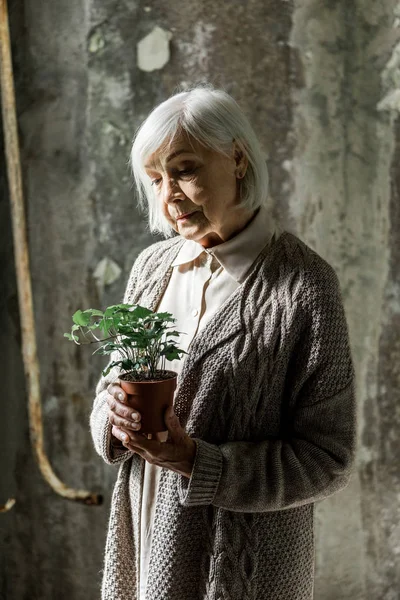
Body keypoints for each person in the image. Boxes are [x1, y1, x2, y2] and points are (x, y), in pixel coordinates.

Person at [89, 85, 357, 600]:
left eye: (184, 170)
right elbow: (112, 386)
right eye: (156, 179)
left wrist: (198, 462)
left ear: (236, 158)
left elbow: (328, 458)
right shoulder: (152, 268)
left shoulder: (304, 286)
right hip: (143, 546)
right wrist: (114, 418)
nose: (169, 195)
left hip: (242, 570)